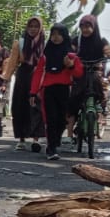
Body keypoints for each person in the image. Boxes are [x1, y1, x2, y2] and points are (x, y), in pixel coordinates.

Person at [31, 23, 83, 161]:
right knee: (51, 119)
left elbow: (79, 73)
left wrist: (70, 66)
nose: (55, 37)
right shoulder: (45, 55)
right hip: (48, 90)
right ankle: (51, 148)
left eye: (59, 34)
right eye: (53, 34)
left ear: (64, 36)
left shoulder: (71, 55)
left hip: (64, 89)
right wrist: (33, 92)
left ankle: (55, 140)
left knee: (61, 120)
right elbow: (37, 74)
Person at [2, 16, 46, 152]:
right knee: (20, 107)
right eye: (30, 26)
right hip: (23, 76)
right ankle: (21, 139)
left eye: (36, 26)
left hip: (39, 76)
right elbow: (12, 63)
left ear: (40, 28)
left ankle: (36, 139)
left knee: (37, 107)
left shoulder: (46, 44)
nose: (33, 29)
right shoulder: (20, 43)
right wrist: (5, 80)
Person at [70, 13, 110, 128]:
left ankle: (100, 109)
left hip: (96, 71)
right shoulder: (76, 41)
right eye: (82, 27)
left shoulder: (101, 41)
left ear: (94, 27)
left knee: (101, 89)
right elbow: (70, 52)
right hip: (80, 72)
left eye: (88, 26)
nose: (85, 29)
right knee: (73, 98)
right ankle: (69, 133)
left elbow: (108, 50)